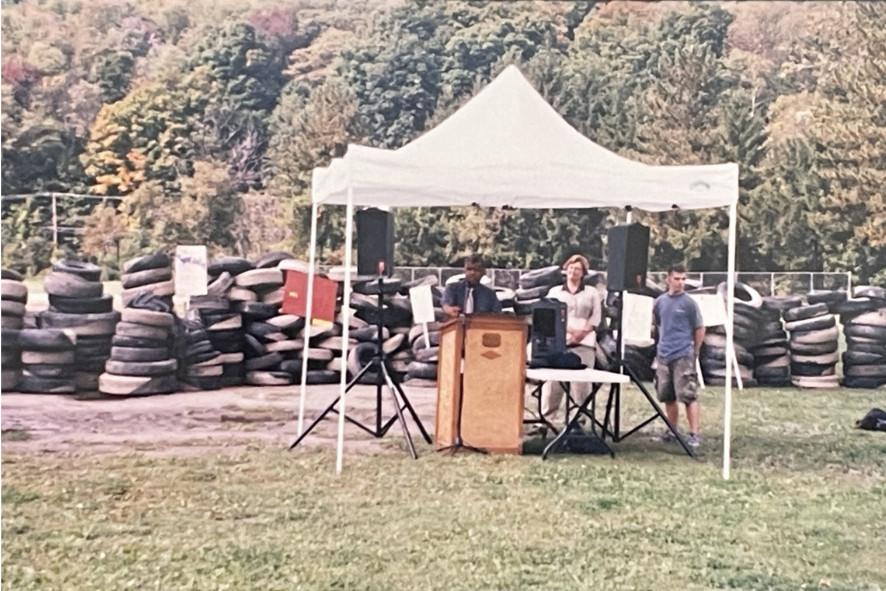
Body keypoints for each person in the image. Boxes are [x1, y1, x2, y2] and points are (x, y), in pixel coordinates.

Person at [538, 254, 602, 429]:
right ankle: (546, 420)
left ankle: (578, 421)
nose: (574, 272)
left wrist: (582, 333)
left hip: (585, 343)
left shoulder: (592, 292)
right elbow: (551, 315)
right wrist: (569, 331)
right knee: (553, 384)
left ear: (583, 273)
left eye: (578, 269)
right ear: (566, 270)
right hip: (560, 342)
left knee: (581, 386)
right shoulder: (555, 292)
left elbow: (596, 317)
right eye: (571, 268)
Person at [653, 263, 705, 447]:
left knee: (688, 395)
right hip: (664, 354)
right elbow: (658, 324)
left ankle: (694, 434)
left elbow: (699, 328)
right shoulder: (660, 302)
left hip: (683, 354)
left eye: (683, 279)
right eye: (677, 279)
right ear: (668, 279)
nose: (680, 283)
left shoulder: (689, 303)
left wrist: (694, 350)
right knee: (667, 396)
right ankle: (671, 430)